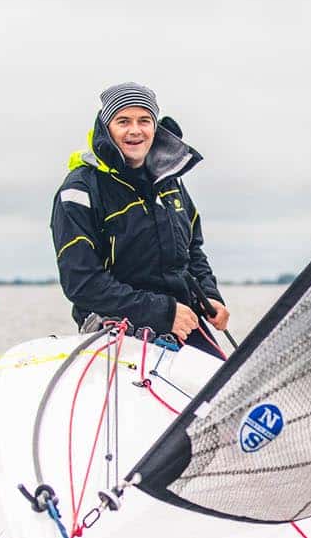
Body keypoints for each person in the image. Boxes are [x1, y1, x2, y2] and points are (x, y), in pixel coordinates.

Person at [50, 82, 229, 354]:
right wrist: (162, 313)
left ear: (155, 128)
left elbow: (193, 251)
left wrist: (209, 295)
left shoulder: (171, 183)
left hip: (182, 320)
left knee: (229, 388)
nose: (135, 130)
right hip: (112, 326)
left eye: (144, 120)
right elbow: (81, 282)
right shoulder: (79, 189)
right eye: (123, 121)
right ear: (106, 128)